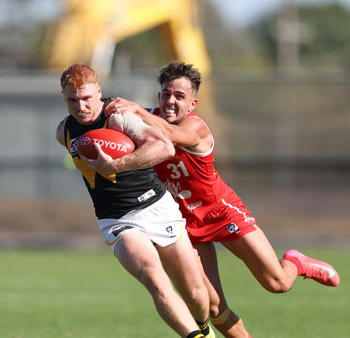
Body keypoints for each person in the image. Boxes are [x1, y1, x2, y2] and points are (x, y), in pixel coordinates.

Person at [105, 60, 341, 338]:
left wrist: (135, 110)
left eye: (179, 96)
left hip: (221, 212)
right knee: (212, 307)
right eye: (166, 94)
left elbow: (173, 136)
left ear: (192, 104)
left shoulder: (195, 127)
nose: (171, 101)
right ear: (159, 96)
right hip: (182, 224)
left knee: (277, 283)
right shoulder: (144, 123)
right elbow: (106, 123)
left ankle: (296, 262)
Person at [56, 63, 216, 338]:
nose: (81, 106)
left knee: (197, 296)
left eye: (86, 98)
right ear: (64, 97)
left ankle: (203, 328)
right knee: (154, 278)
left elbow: (164, 147)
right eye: (72, 100)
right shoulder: (64, 131)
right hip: (117, 219)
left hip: (157, 206)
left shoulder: (118, 118)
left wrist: (116, 165)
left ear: (99, 92)